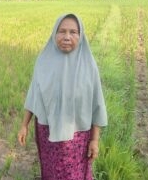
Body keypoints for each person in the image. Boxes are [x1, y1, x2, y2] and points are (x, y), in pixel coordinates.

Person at [18, 13, 108, 180]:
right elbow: (33, 95)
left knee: (75, 175)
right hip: (47, 134)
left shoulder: (89, 66)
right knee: (51, 172)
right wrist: (24, 125)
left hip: (78, 139)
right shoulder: (43, 61)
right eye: (62, 31)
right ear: (54, 34)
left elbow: (97, 105)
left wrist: (94, 140)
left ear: (80, 36)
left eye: (73, 32)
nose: (67, 37)